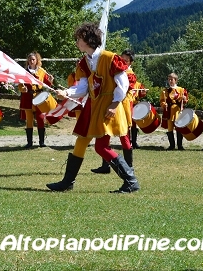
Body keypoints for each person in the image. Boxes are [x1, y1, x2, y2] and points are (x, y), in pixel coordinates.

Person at [47, 22, 139, 193]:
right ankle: (68, 181)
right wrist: (66, 92)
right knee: (82, 140)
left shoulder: (110, 58)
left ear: (88, 40)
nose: (76, 42)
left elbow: (123, 83)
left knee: (101, 147)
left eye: (79, 39)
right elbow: (82, 87)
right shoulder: (84, 63)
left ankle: (131, 180)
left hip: (109, 105)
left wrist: (114, 104)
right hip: (94, 105)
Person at [90, 49, 139, 174]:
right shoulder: (115, 69)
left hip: (123, 105)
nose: (123, 62)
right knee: (105, 134)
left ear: (131, 63)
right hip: (112, 103)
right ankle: (105, 165)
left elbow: (125, 88)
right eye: (122, 59)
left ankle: (129, 167)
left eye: (126, 61)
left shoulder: (130, 74)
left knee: (125, 136)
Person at [18, 52, 54, 148]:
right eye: (30, 60)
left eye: (33, 59)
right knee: (29, 120)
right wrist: (23, 89)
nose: (31, 61)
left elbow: (47, 84)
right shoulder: (24, 72)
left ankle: (41, 142)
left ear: (37, 60)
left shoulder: (42, 71)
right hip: (27, 98)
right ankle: (29, 142)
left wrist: (50, 80)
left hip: (39, 97)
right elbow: (20, 84)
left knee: (40, 118)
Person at [160, 73, 189, 150]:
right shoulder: (165, 91)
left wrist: (184, 98)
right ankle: (171, 145)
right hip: (169, 111)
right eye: (169, 79)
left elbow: (185, 100)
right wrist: (164, 104)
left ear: (175, 80)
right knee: (170, 128)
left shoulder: (181, 90)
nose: (170, 81)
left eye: (171, 79)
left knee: (179, 127)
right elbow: (162, 101)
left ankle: (180, 145)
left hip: (177, 111)